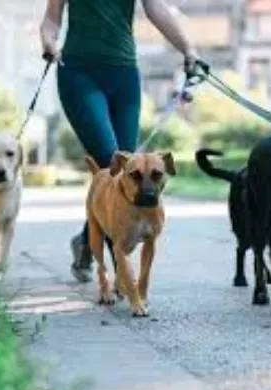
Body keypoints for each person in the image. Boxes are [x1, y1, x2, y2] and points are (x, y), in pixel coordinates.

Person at [40, 0, 198, 282]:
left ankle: (87, 241)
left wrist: (188, 49)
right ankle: (124, 280)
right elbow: (51, 19)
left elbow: (157, 9)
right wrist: (48, 42)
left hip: (124, 74)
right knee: (112, 162)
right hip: (78, 72)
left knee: (128, 170)